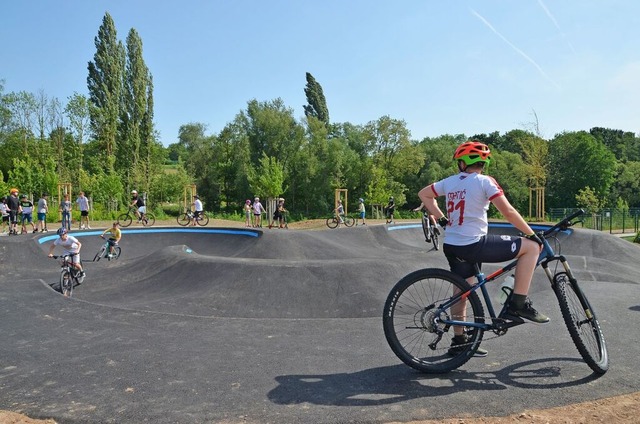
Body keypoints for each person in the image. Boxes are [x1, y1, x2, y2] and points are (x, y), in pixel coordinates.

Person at [418, 140, 548, 357]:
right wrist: (531, 233)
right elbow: (507, 211)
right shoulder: (485, 181)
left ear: (462, 163)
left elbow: (424, 194)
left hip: (452, 244)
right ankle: (519, 303)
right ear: (483, 163)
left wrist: (441, 220)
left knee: (461, 292)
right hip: (474, 243)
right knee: (532, 248)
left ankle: (459, 341)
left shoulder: (449, 182)